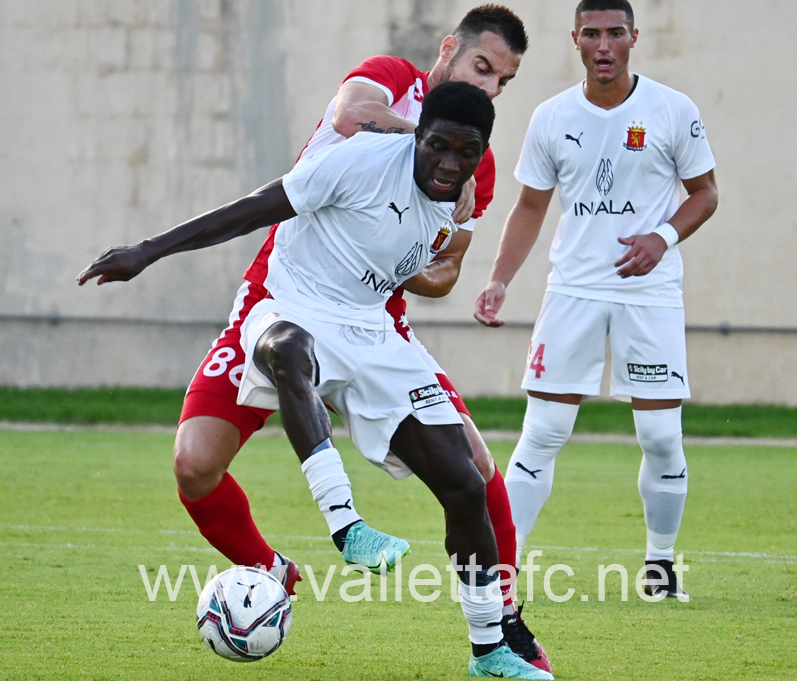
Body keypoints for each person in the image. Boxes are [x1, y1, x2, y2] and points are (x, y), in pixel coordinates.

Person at [78, 82, 553, 680]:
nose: (448, 164)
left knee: (463, 483)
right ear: (418, 132)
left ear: (483, 150)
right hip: (290, 303)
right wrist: (148, 250)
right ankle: (345, 525)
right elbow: (251, 208)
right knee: (287, 350)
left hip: (371, 330)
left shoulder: (456, 200)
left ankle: (490, 651)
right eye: (437, 146)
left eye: (466, 152)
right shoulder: (359, 161)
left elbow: (431, 267)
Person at [474, 0, 718, 601]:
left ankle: (659, 567)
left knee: (661, 437)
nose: (603, 46)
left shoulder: (672, 109)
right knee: (544, 430)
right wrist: (499, 279)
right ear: (576, 41)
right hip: (574, 291)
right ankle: (506, 569)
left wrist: (662, 238)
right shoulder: (553, 117)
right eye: (591, 34)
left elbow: (706, 192)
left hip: (650, 293)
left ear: (634, 38)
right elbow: (530, 207)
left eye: (614, 34)